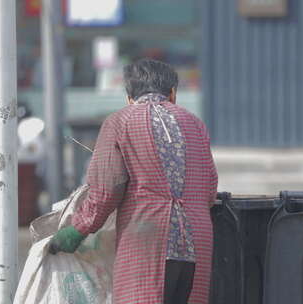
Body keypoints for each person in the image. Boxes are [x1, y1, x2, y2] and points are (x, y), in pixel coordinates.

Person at [49, 58, 218, 304]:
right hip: (197, 238)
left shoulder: (120, 122)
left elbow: (105, 191)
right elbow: (210, 189)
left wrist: (77, 229)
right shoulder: (195, 124)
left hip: (146, 238)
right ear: (172, 93)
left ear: (129, 96)